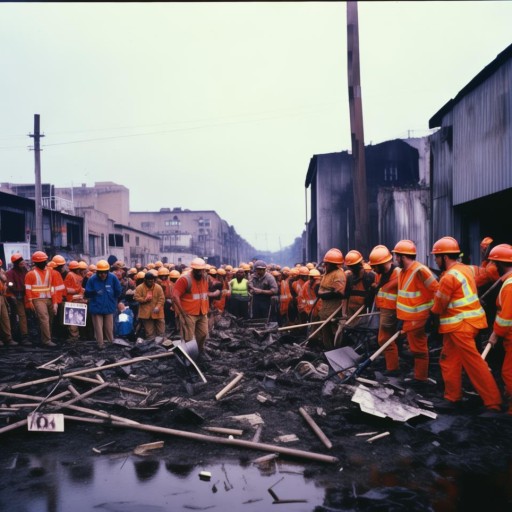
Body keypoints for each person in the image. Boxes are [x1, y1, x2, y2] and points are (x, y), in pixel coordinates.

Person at [431, 236, 502, 411]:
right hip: (462, 324)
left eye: (436, 257)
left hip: (460, 325)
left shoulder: (448, 278)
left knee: (474, 364)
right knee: (448, 360)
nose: (435, 260)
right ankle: (452, 397)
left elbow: (439, 306)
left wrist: (431, 316)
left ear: (445, 257)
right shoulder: (465, 270)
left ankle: (493, 403)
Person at [393, 240, 439, 384]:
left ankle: (421, 379)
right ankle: (419, 376)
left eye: (397, 256)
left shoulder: (420, 270)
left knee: (419, 349)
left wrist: (432, 315)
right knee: (415, 348)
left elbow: (436, 290)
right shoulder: (403, 272)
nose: (395, 259)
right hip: (408, 318)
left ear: (402, 256)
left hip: (419, 318)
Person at [487, 244, 512, 415]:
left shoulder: (509, 285)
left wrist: (495, 334)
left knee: (508, 372)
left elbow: (505, 318)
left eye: (493, 264)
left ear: (499, 264)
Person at [369, 245, 400, 374]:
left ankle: (392, 368)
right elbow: (381, 288)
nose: (374, 269)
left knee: (384, 339)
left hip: (391, 310)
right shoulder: (380, 274)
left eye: (375, 266)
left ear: (382, 263)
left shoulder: (397, 273)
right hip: (383, 308)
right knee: (385, 338)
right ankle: (390, 364)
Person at [171, 257, 209, 352]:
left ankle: (199, 352)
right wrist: (182, 313)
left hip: (202, 312)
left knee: (203, 334)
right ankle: (190, 355)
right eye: (197, 270)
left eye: (201, 270)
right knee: (188, 338)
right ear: (193, 269)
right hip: (188, 313)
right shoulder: (185, 279)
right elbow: (175, 296)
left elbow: (204, 296)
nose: (199, 272)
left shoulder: (205, 279)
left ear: (204, 270)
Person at [24, 251, 62, 347]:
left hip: (49, 298)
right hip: (37, 299)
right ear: (36, 263)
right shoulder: (30, 274)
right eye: (41, 261)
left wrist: (55, 303)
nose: (44, 263)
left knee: (50, 319)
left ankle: (45, 337)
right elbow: (28, 290)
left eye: (44, 261)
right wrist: (30, 302)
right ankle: (47, 340)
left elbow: (52, 288)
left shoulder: (50, 272)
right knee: (44, 319)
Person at [84, 259, 122, 349]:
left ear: (107, 272)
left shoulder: (113, 278)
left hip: (109, 306)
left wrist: (113, 299)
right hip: (96, 307)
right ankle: (100, 344)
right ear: (97, 272)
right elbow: (87, 293)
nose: (102, 275)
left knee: (109, 327)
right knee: (98, 327)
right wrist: (95, 293)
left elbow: (118, 290)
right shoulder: (92, 279)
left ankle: (110, 342)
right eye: (100, 273)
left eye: (104, 273)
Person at [317, 248, 347, 350]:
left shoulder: (338, 274)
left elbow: (340, 293)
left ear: (333, 264)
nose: (325, 266)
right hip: (325, 311)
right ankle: (328, 351)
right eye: (325, 264)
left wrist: (325, 294)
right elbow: (322, 289)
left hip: (334, 311)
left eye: (327, 264)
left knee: (335, 334)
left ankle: (336, 351)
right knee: (325, 334)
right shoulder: (327, 273)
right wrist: (322, 293)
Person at [5, 253, 30, 345]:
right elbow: (10, 286)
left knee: (26, 316)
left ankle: (22, 334)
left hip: (25, 296)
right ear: (15, 264)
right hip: (15, 297)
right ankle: (24, 336)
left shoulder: (25, 271)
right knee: (21, 316)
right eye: (20, 263)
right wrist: (13, 295)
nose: (22, 265)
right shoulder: (10, 273)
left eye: (22, 263)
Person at [134, 272, 165, 342]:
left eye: (152, 281)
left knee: (161, 332)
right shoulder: (139, 288)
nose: (150, 282)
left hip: (158, 313)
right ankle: (151, 347)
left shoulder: (158, 287)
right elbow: (136, 297)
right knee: (150, 333)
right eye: (149, 281)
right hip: (146, 314)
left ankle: (162, 346)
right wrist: (144, 300)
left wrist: (158, 307)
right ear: (145, 280)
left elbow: (162, 299)